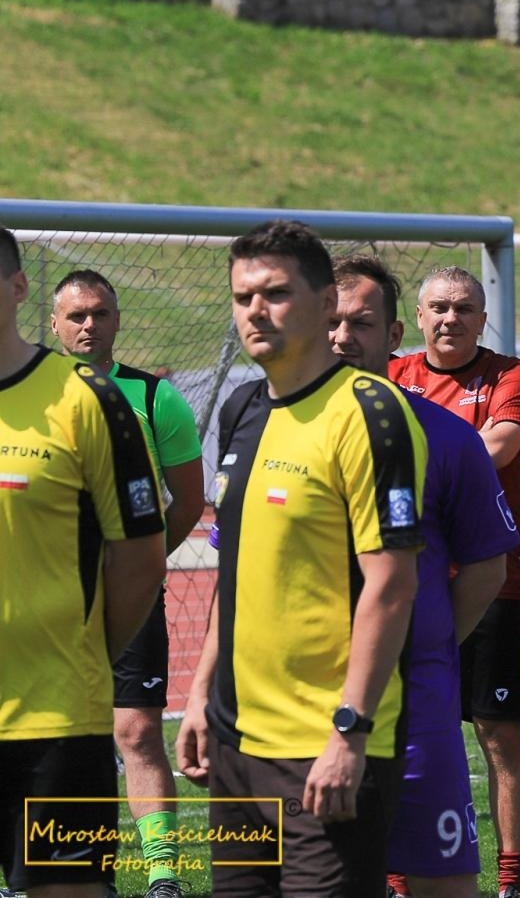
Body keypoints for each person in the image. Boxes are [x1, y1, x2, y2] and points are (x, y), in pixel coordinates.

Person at [176, 219, 426, 896]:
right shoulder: (242, 407)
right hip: (234, 747)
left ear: (324, 303)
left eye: (276, 293)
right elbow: (237, 570)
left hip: (325, 747)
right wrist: (201, 695)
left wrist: (349, 731)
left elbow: (392, 586)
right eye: (243, 296)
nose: (256, 310)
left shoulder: (369, 412)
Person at [329, 254, 520, 898]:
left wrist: (430, 640)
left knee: (439, 879)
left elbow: (488, 567)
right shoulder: (265, 426)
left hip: (418, 704)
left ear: (392, 336)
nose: (341, 336)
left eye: (360, 322)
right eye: (330, 320)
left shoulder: (445, 436)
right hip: (297, 700)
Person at [0, 228, 167, 896]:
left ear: (17, 288)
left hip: (57, 719)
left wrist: (86, 649)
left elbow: (140, 556)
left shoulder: (87, 398)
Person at [50, 269, 207, 898]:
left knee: (136, 730)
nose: (90, 325)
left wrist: (140, 565)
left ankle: (163, 875)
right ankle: (56, 867)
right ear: (56, 324)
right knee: (45, 732)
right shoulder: (32, 395)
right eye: (78, 315)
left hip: (129, 594)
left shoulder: (153, 398)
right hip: (45, 596)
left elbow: (189, 500)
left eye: (101, 314)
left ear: (117, 320)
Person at [390, 266, 520, 898]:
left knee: (499, 734)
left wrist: (427, 462)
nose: (451, 319)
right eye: (440, 308)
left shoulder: (509, 374)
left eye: (464, 308)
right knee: (405, 729)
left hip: (486, 583)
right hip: (411, 585)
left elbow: (500, 445)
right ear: (419, 318)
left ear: (483, 317)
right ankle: (396, 873)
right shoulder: (394, 374)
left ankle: (509, 880)